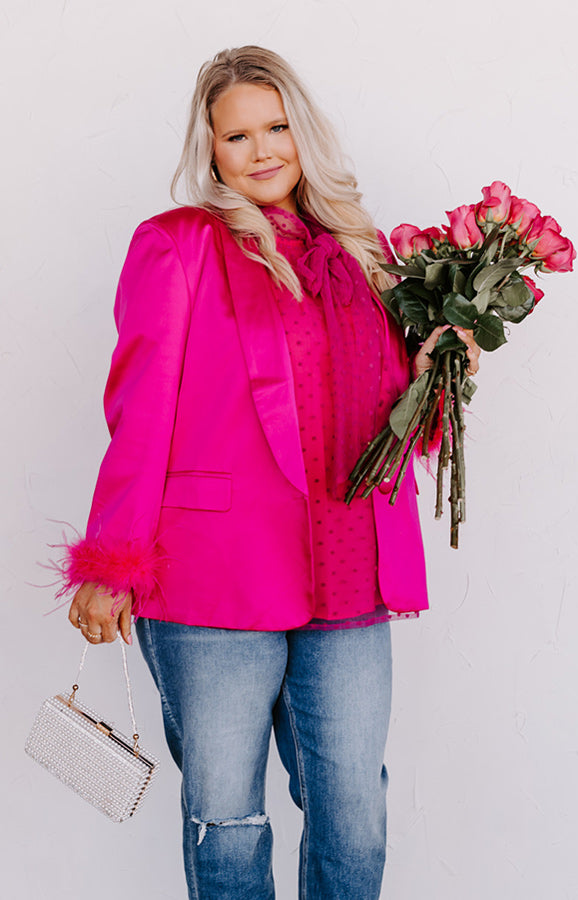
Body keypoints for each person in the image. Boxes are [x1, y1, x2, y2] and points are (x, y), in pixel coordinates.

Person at [61, 46, 480, 900]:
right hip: (215, 577)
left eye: (277, 127)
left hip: (347, 570)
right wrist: (111, 561)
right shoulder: (177, 246)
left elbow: (385, 426)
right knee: (227, 819)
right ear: (210, 151)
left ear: (303, 133)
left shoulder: (362, 255)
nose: (261, 151)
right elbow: (141, 413)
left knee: (353, 812)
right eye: (237, 135)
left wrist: (437, 371)